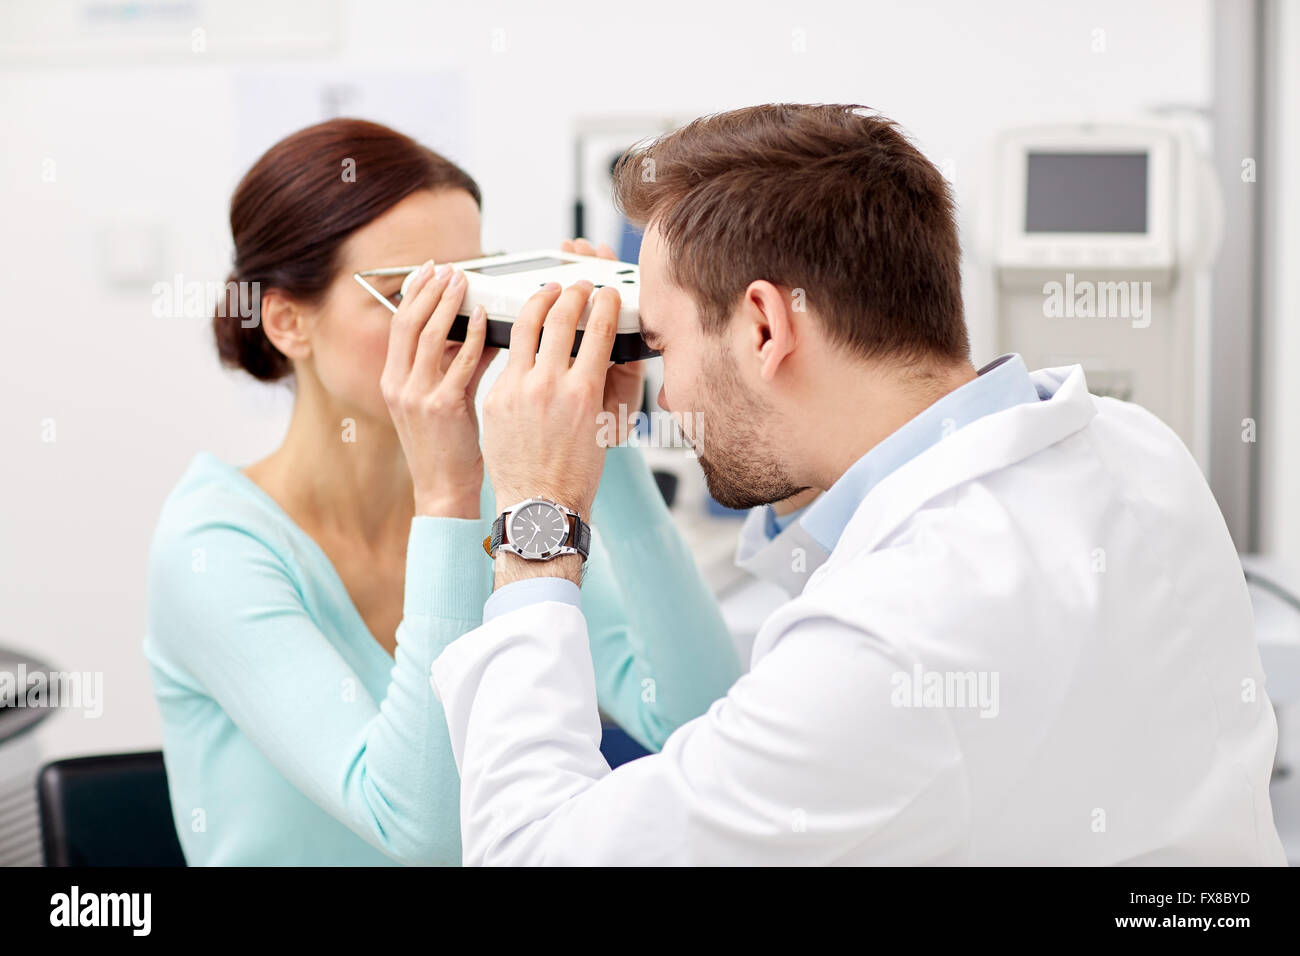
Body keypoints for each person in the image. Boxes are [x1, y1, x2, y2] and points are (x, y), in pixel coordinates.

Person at [428, 103, 1288, 865]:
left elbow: (527, 850)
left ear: (764, 325)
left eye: (660, 343)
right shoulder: (1136, 446)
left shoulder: (889, 640)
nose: (668, 393)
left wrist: (537, 512)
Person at [143, 118, 741, 866]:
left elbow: (699, 718)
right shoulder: (212, 547)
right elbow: (423, 832)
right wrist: (449, 499)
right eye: (408, 296)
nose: (460, 325)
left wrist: (599, 430)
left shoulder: (506, 492)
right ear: (289, 321)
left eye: (473, 284)